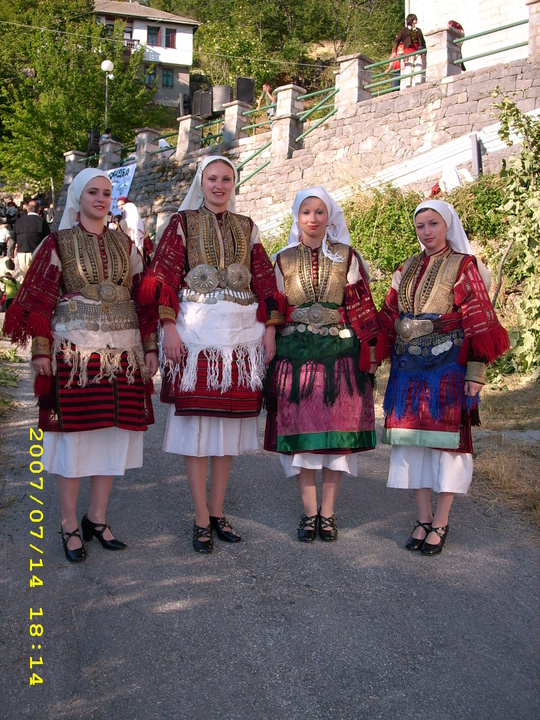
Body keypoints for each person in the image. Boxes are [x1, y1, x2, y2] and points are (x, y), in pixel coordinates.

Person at [3, 168, 159, 563]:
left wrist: (151, 348)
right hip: (74, 356)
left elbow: (144, 301)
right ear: (79, 196)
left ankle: (97, 518)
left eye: (107, 193)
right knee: (74, 439)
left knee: (111, 436)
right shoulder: (57, 242)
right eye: (93, 192)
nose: (102, 199)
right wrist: (40, 350)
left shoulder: (127, 245)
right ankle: (69, 523)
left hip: (124, 356)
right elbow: (38, 300)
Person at [140, 155, 283, 554]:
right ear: (201, 183)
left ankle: (218, 512)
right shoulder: (182, 223)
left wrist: (270, 329)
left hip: (240, 341)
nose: (220, 186)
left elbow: (265, 279)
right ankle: (200, 516)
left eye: (226, 180)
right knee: (197, 429)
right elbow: (162, 277)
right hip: (195, 337)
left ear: (233, 185)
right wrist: (168, 328)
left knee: (227, 429)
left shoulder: (247, 227)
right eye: (213, 179)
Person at [379, 200, 509, 555]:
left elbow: (479, 319)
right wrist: (370, 355)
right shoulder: (405, 267)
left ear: (447, 225)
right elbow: (390, 313)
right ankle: (423, 518)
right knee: (413, 445)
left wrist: (476, 372)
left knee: (447, 447)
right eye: (420, 226)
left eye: (433, 224)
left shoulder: (465, 266)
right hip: (407, 371)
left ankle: (442, 521)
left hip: (448, 368)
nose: (427, 232)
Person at [264, 187, 387, 542]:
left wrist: (371, 353)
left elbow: (362, 306)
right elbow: (273, 305)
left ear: (329, 216)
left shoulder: (348, 257)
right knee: (303, 439)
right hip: (295, 356)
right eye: (306, 213)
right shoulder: (283, 259)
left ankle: (328, 514)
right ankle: (308, 513)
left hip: (341, 359)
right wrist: (271, 337)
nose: (313, 219)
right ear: (297, 217)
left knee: (337, 439)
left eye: (320, 212)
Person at [13, 199, 50, 276]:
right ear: (38, 209)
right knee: (36, 278)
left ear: (27, 209)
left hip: (22, 254)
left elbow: (12, 239)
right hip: (37, 254)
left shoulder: (19, 221)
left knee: (25, 279)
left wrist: (10, 255)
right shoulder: (42, 221)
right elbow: (48, 239)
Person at [390, 14, 426, 88]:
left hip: (417, 52)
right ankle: (408, 85)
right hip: (408, 52)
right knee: (408, 69)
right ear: (412, 20)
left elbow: (423, 41)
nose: (416, 20)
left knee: (418, 68)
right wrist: (394, 52)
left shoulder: (418, 30)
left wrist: (424, 51)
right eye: (415, 19)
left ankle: (418, 84)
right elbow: (397, 41)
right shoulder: (404, 30)